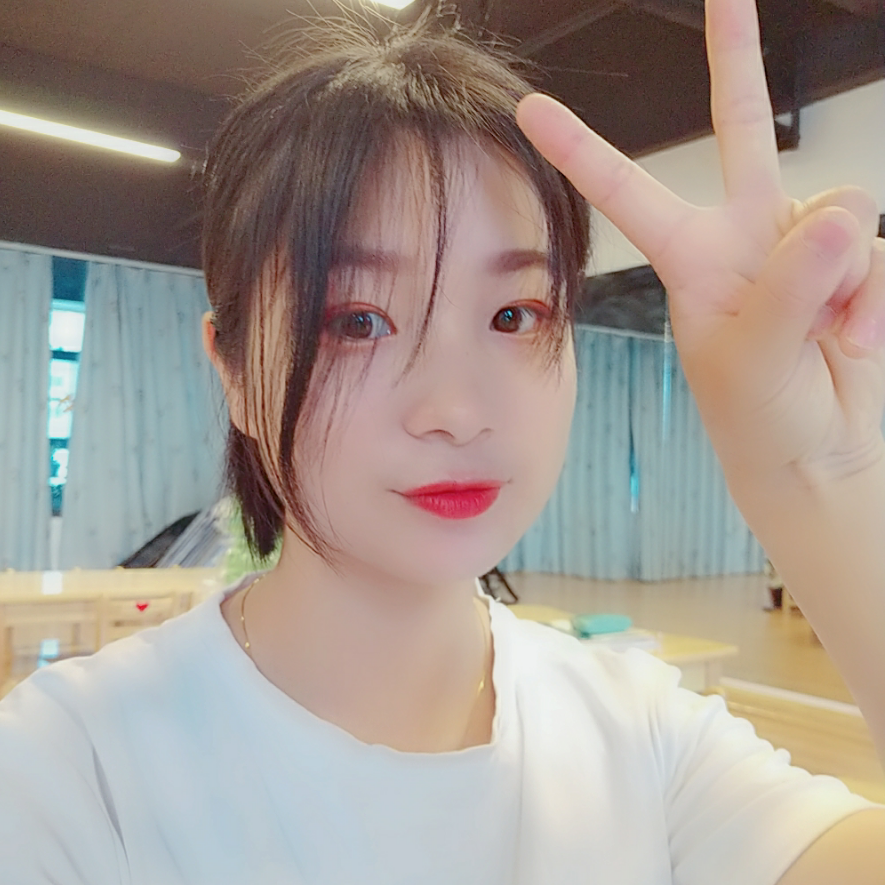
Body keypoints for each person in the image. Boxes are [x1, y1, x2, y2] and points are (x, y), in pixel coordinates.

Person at [2, 0, 883, 881]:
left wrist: (821, 474)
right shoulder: (68, 774)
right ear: (232, 368)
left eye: (513, 314)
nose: (456, 410)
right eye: (356, 320)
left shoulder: (645, 739)